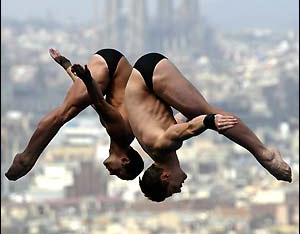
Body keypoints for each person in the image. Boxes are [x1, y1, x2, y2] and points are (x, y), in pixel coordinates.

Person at [124, 53, 292, 202]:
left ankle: (266, 156)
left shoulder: (161, 146)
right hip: (144, 75)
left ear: (165, 177)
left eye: (172, 190)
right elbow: (180, 122)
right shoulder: (157, 149)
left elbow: (189, 128)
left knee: (207, 111)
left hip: (149, 75)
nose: (179, 189)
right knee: (200, 110)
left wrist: (210, 121)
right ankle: (264, 154)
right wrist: (202, 119)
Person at [5, 48, 144, 181]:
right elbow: (99, 102)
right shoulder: (122, 134)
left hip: (112, 65)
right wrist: (87, 79)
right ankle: (26, 159)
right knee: (62, 115)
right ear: (125, 160)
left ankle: (27, 159)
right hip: (111, 67)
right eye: (118, 172)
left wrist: (67, 65)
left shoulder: (121, 133)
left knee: (70, 109)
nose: (111, 173)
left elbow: (91, 100)